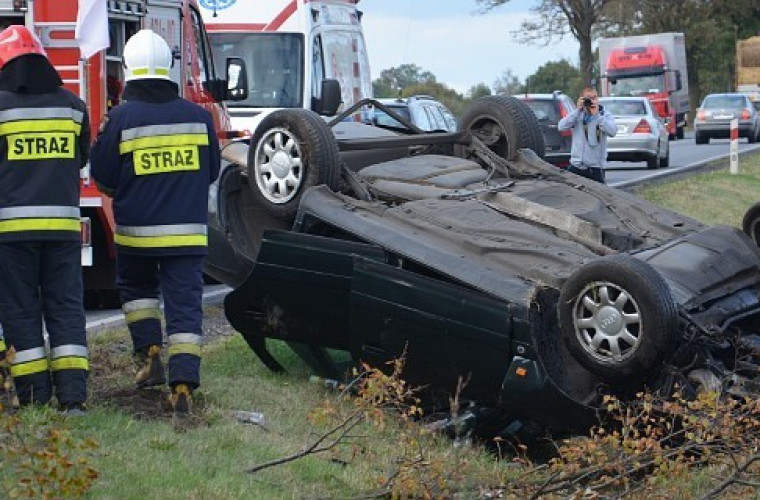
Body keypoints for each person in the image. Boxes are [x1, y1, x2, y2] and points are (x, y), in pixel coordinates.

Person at [89, 29, 220, 417]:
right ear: (169, 67)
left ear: (128, 69)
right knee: (184, 308)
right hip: (187, 235)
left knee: (139, 294)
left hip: (136, 235)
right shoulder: (198, 117)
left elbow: (104, 178)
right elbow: (211, 171)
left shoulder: (120, 119)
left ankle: (148, 355)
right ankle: (183, 383)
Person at [0, 25, 90, 413]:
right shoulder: (73, 107)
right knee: (66, 307)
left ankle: (34, 395)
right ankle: (72, 398)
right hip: (64, 229)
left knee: (20, 310)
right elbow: (82, 158)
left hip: (11, 233)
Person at [557, 86, 617, 184]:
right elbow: (561, 127)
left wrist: (597, 116)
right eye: (588, 98)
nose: (592, 101)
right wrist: (577, 111)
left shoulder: (604, 114)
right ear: (581, 99)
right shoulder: (577, 115)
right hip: (576, 165)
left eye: (594, 98)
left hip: (596, 167)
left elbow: (613, 132)